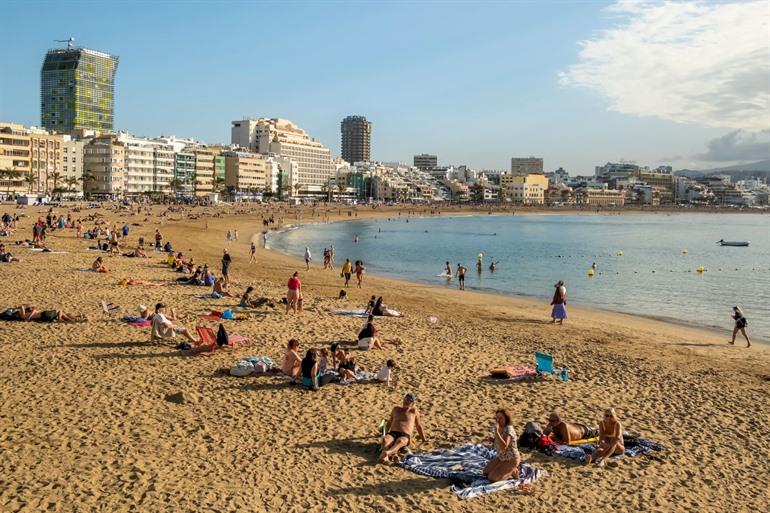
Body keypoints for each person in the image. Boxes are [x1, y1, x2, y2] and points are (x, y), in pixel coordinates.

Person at [379, 393, 427, 463]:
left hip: (405, 435)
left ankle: (388, 453)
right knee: (385, 440)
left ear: (413, 403)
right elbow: (389, 422)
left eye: (408, 401)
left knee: (400, 442)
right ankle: (384, 454)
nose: (405, 402)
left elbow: (418, 426)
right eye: (405, 400)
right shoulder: (396, 409)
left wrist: (423, 439)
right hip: (393, 433)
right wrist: (385, 433)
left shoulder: (414, 411)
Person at [483, 409, 521, 482]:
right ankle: (505, 468)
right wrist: (492, 440)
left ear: (506, 419)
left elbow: (504, 446)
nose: (498, 420)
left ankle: (513, 471)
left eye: (500, 418)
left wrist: (496, 432)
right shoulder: (500, 428)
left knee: (492, 478)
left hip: (511, 459)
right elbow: (499, 440)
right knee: (486, 472)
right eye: (497, 418)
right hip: (502, 457)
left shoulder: (508, 429)